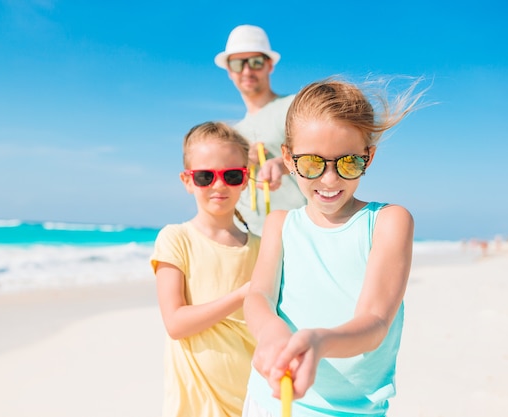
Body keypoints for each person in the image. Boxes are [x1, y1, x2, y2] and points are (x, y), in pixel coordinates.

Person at [242, 77, 428, 416]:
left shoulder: (388, 221)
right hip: (268, 399)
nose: (329, 179)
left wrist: (318, 342)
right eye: (312, 163)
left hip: (350, 410)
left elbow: (374, 321)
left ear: (368, 158)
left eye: (348, 162)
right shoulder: (280, 224)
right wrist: (271, 333)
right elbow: (259, 296)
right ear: (288, 158)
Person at [150, 121, 261, 417]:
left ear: (245, 179)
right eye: (204, 176)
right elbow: (175, 323)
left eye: (232, 175)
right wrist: (241, 295)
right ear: (187, 181)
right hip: (195, 405)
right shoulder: (176, 238)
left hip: (251, 397)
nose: (219, 185)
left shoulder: (262, 248)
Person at [215, 24, 306, 235]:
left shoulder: (294, 106)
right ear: (229, 70)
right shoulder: (233, 133)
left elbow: (324, 154)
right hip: (247, 238)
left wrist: (283, 164)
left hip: (295, 233)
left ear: (269, 65)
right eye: (238, 64)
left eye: (255, 62)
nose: (247, 70)